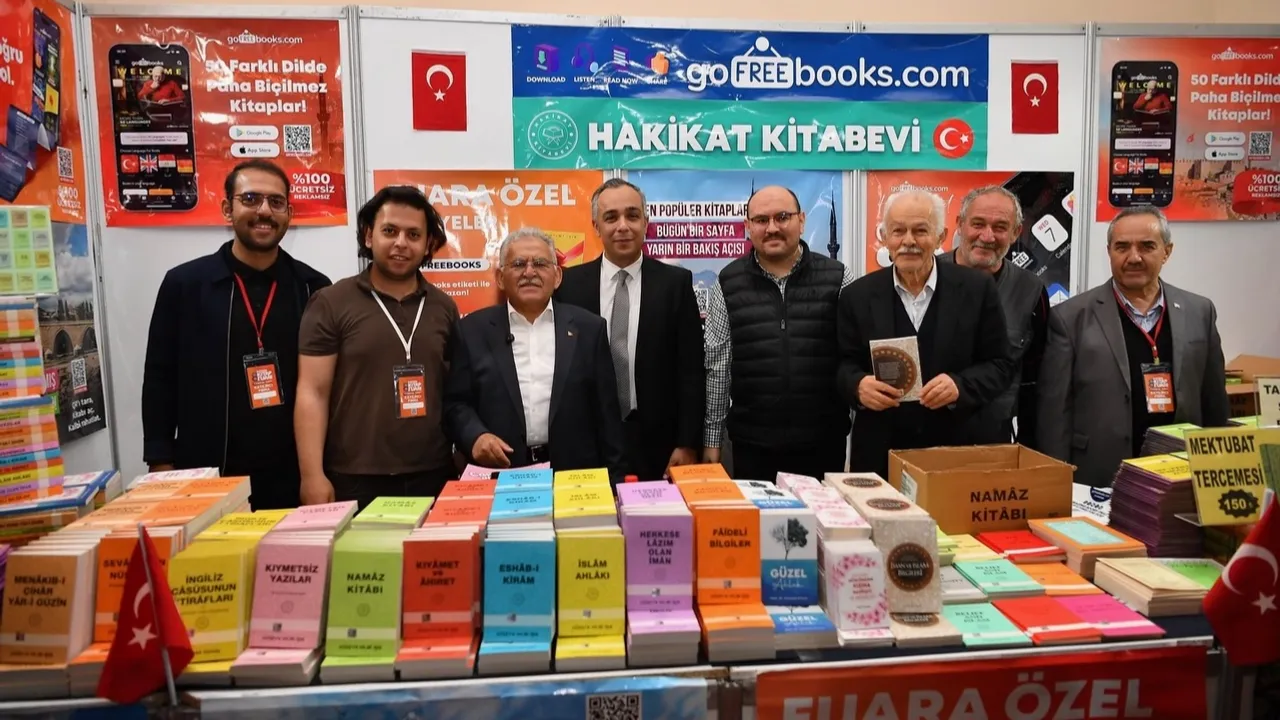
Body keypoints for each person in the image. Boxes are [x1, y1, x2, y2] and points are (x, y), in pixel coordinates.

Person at [142, 160, 331, 509]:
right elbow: (160, 377)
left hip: (291, 476)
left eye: (276, 202)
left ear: (289, 214)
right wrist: (160, 461)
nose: (264, 211)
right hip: (207, 472)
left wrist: (318, 471)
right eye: (251, 199)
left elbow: (324, 388)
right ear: (228, 209)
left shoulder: (313, 288)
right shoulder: (185, 285)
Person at [1038, 206, 1230, 487]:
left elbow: (1214, 403)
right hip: (1098, 476)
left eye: (1147, 246)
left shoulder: (1200, 311)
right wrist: (1055, 482)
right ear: (1109, 252)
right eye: (1122, 247)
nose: (1134, 257)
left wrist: (1218, 471)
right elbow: (1054, 415)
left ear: (1167, 251)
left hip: (1181, 473)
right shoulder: (1069, 318)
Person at [295, 186, 458, 508]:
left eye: (413, 234)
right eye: (390, 231)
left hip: (433, 472)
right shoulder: (331, 303)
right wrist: (312, 475)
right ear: (369, 236)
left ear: (428, 244)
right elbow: (313, 392)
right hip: (353, 477)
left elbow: (454, 391)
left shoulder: (444, 307)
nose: (401, 243)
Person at [837, 189, 1013, 478]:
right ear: (884, 237)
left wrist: (960, 385)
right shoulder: (857, 296)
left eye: (920, 230)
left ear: (941, 236)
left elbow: (1001, 365)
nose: (909, 241)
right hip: (879, 456)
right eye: (898, 231)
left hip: (956, 454)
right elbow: (842, 364)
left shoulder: (977, 290)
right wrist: (857, 386)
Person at [444, 228, 627, 479]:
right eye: (518, 264)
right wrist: (475, 436)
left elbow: (607, 415)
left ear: (557, 276)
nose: (529, 272)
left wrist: (614, 482)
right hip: (503, 473)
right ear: (500, 278)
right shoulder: (471, 331)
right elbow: (455, 403)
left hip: (574, 476)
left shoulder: (589, 329)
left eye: (540, 264)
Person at [703, 185, 854, 480]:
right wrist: (711, 440)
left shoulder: (838, 277)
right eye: (761, 220)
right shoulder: (727, 282)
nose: (772, 228)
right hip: (753, 446)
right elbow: (718, 367)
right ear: (747, 226)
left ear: (802, 220)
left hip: (823, 444)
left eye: (782, 217)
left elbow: (853, 361)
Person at [556, 178, 704, 480]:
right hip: (587, 442)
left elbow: (690, 371)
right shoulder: (568, 285)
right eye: (611, 217)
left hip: (659, 445)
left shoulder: (675, 284)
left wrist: (687, 443)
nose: (622, 226)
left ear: (646, 222)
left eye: (632, 215)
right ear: (596, 226)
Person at [939, 185, 1050, 446]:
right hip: (925, 437)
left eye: (1000, 227)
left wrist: (1029, 444)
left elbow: (1035, 378)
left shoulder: (1031, 291)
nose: (987, 236)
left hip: (994, 440)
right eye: (978, 224)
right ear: (960, 224)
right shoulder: (926, 277)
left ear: (1016, 233)